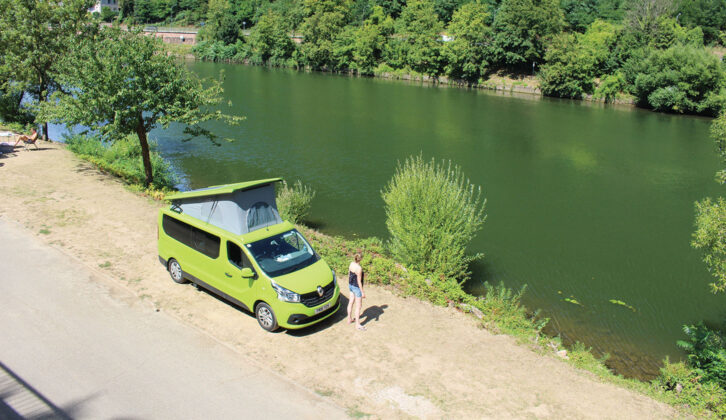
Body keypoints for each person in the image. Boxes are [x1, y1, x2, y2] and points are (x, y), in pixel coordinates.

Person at [347, 253, 366, 331]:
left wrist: (349, 284)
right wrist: (362, 292)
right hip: (356, 288)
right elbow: (359, 281)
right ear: (360, 259)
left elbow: (349, 274)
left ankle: (349, 319)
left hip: (350, 285)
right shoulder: (359, 268)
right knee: (358, 306)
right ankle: (357, 324)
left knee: (351, 302)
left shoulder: (351, 264)